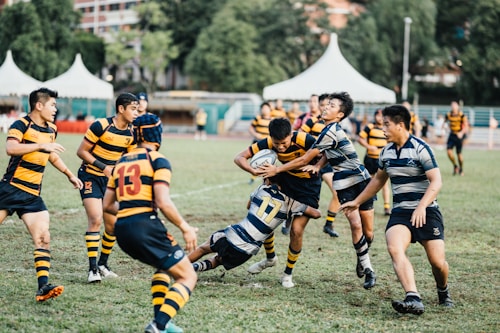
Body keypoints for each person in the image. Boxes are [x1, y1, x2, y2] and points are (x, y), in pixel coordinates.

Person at [340, 104, 453, 315]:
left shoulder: (420, 148)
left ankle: (443, 290)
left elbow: (436, 181)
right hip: (401, 212)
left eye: (386, 125)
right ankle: (413, 297)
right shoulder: (386, 152)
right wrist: (357, 201)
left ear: (400, 125)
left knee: (437, 263)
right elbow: (378, 181)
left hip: (427, 211)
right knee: (394, 248)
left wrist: (421, 207)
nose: (382, 129)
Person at [257, 92, 376, 290]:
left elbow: (304, 159)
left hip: (363, 180)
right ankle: (369, 270)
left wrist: (277, 169)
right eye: (327, 104)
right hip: (344, 184)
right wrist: (319, 166)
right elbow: (328, 153)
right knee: (356, 226)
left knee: (369, 232)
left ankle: (361, 258)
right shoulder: (326, 131)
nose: (325, 107)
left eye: (331, 106)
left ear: (339, 115)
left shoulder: (331, 131)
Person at [103, 113, 197, 333]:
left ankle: (161, 324)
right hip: (144, 226)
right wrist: (185, 227)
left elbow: (107, 205)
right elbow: (163, 201)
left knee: (163, 266)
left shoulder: (121, 162)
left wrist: (130, 209)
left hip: (122, 231)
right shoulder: (157, 159)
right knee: (188, 275)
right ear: (157, 134)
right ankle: (158, 325)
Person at [0, 87, 83, 301]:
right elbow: (11, 148)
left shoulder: (52, 129)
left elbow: (51, 155)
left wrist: (69, 174)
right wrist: (40, 145)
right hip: (10, 188)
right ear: (39, 105)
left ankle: (43, 287)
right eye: (52, 105)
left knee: (44, 237)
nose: (56, 109)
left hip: (32, 195)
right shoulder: (21, 124)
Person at [234, 118, 322, 288]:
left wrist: (318, 166)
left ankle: (287, 273)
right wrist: (253, 170)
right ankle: (270, 258)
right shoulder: (267, 142)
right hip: (284, 180)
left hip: (308, 187)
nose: (280, 147)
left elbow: (325, 153)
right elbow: (239, 157)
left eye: (284, 143)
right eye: (276, 143)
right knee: (264, 220)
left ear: (291, 134)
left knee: (296, 231)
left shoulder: (304, 139)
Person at [188, 178, 321, 273]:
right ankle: (194, 268)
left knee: (203, 249)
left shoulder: (261, 189)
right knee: (218, 260)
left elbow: (248, 206)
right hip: (247, 251)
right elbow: (316, 214)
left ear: (268, 181)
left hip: (233, 235)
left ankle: (179, 266)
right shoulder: (291, 203)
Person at [77, 92, 138, 283]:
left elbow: (129, 160)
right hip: (90, 176)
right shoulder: (101, 125)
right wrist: (104, 168)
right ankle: (92, 269)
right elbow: (81, 151)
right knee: (95, 219)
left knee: (112, 226)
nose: (136, 113)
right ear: (121, 109)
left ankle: (103, 264)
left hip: (111, 181)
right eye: (133, 109)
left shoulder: (131, 133)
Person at [299, 93, 340, 237]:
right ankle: (288, 221)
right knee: (298, 193)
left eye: (327, 105)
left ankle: (329, 224)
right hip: (310, 162)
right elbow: (299, 138)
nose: (325, 108)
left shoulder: (334, 126)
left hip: (325, 163)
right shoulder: (311, 121)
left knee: (337, 191)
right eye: (323, 105)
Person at [358, 108, 392, 216]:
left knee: (385, 183)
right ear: (375, 116)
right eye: (378, 116)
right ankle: (366, 203)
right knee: (370, 182)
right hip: (370, 159)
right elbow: (360, 138)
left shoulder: (387, 128)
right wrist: (368, 146)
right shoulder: (370, 127)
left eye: (382, 116)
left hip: (382, 159)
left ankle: (387, 207)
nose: (380, 118)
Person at [247, 102, 272, 185]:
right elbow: (250, 128)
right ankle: (252, 177)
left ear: (269, 109)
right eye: (263, 108)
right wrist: (255, 134)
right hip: (257, 142)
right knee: (255, 160)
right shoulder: (258, 118)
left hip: (267, 144)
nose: (264, 110)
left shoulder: (272, 120)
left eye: (266, 108)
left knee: (267, 161)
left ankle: (266, 179)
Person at [444, 101, 468, 176]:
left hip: (459, 136)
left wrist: (461, 133)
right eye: (452, 105)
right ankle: (455, 166)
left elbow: (466, 126)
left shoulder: (462, 115)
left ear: (458, 106)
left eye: (455, 105)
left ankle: (461, 169)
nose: (453, 107)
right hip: (452, 135)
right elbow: (444, 123)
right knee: (448, 152)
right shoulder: (448, 115)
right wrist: (445, 128)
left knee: (459, 154)